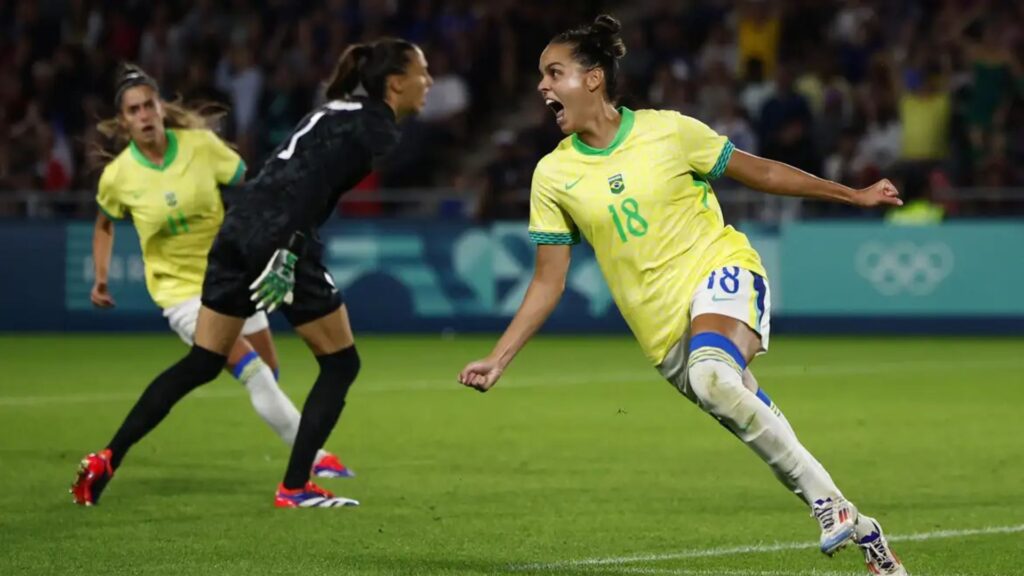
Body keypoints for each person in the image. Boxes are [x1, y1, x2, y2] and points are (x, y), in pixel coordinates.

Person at [457, 16, 907, 575]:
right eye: (542, 76)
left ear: (594, 79)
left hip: (721, 271)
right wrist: (499, 357)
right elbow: (548, 279)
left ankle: (830, 509)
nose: (542, 87)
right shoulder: (553, 175)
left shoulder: (667, 130)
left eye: (555, 73)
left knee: (713, 375)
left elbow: (758, 170)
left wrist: (851, 195)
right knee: (742, 409)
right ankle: (860, 528)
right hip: (662, 332)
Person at [72, 41, 431, 508]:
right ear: (396, 81)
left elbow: (272, 173)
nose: (430, 82)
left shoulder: (341, 108)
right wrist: (288, 251)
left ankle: (106, 458)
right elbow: (312, 187)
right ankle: (296, 486)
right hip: (278, 235)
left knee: (203, 362)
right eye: (423, 72)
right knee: (341, 364)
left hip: (238, 229)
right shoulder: (375, 126)